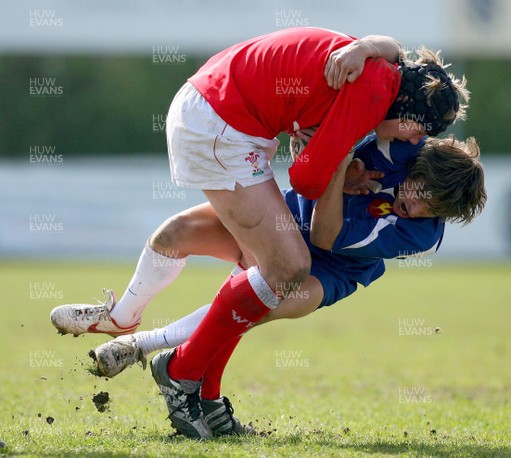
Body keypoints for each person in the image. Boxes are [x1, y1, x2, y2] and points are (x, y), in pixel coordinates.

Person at [52, 27, 470, 439]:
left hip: (331, 269)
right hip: (229, 131)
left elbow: (326, 235)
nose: (415, 207)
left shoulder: (421, 232)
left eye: (430, 209)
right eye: (418, 130)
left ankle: (154, 353)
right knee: (210, 249)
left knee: (268, 288)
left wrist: (333, 161)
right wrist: (326, 152)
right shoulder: (394, 130)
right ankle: (141, 337)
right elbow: (311, 173)